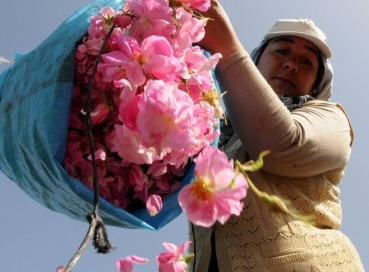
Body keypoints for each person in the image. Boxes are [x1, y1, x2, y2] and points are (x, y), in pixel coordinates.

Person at [188, 1, 365, 271]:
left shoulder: (331, 118)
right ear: (256, 63)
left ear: (317, 84)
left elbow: (282, 147)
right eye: (282, 51)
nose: (292, 64)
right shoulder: (216, 134)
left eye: (306, 61)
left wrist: (224, 47)